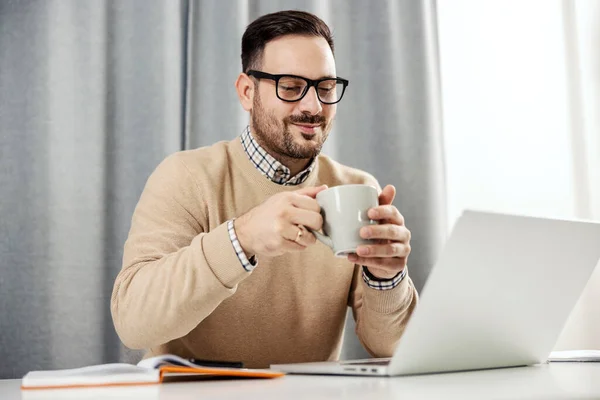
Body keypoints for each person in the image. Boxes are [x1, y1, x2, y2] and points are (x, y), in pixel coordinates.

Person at [111, 10, 418, 368]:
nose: (313, 106)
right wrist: (241, 238)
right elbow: (133, 323)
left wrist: (387, 277)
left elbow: (393, 349)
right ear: (246, 91)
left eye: (326, 87)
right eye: (290, 87)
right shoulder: (185, 177)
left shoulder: (356, 189)